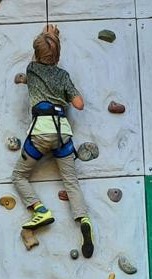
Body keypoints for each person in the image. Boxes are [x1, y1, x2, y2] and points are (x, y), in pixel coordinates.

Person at [13, 23, 94, 258]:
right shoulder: (63, 75)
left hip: (40, 133)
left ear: (36, 55)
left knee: (19, 176)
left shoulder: (31, 69)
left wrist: (49, 37)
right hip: (62, 134)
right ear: (59, 55)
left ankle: (40, 210)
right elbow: (79, 104)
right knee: (71, 182)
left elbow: (40, 55)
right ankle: (84, 220)